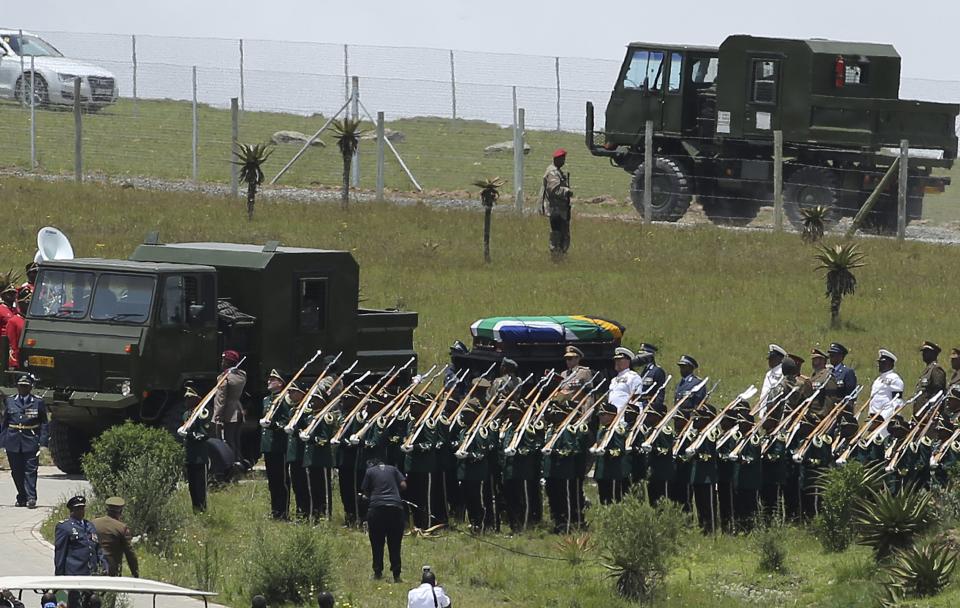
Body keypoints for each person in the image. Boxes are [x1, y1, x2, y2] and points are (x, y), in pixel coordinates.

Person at [2, 374, 48, 508]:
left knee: (30, 470)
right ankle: (21, 496)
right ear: (17, 387)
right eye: (20, 386)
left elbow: (44, 422)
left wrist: (43, 442)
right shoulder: (10, 401)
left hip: (30, 440)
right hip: (13, 440)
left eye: (25, 386)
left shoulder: (38, 402)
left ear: (30, 388)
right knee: (16, 472)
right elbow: (5, 423)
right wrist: (2, 442)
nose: (22, 388)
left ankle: (31, 498)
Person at [55, 496, 107, 608]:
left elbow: (97, 548)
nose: (81, 511)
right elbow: (60, 552)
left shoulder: (89, 526)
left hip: (90, 573)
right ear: (72, 510)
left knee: (93, 601)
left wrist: (103, 565)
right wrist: (59, 575)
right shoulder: (65, 527)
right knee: (72, 603)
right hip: (74, 573)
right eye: (78, 509)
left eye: (82, 508)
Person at [360, 457, 407, 582]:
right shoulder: (393, 469)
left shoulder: (370, 472)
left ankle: (377, 572)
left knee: (377, 543)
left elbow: (365, 493)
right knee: (395, 543)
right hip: (396, 508)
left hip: (377, 510)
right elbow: (403, 485)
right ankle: (396, 574)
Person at [260, 369, 290, 519]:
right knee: (272, 481)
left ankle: (283, 511)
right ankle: (275, 511)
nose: (269, 381)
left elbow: (286, 421)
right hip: (268, 445)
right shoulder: (266, 400)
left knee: (281, 480)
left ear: (280, 383)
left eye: (272, 379)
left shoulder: (285, 399)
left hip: (279, 444)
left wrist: (274, 425)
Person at [213, 349, 247, 465]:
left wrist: (217, 416)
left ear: (228, 362)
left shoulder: (224, 377)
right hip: (238, 409)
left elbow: (221, 399)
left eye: (224, 360)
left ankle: (231, 465)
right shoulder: (241, 375)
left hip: (229, 412)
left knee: (228, 440)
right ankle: (239, 461)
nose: (222, 362)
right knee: (236, 440)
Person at [90, 497, 139, 578]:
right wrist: (135, 573)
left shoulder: (93, 523)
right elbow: (130, 554)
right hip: (112, 571)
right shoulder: (121, 528)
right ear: (121, 511)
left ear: (107, 509)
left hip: (92, 568)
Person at [182, 385, 210, 512]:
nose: (187, 401)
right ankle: (195, 509)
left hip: (199, 455)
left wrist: (188, 434)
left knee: (200, 485)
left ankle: (202, 509)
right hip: (189, 455)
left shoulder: (202, 413)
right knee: (192, 486)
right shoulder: (186, 414)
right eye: (186, 398)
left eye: (190, 398)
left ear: (197, 399)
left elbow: (204, 434)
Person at [540, 148, 573, 255]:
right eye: (562, 159)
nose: (564, 161)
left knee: (562, 233)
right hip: (555, 209)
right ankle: (556, 254)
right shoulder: (553, 172)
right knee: (557, 233)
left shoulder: (556, 171)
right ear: (557, 159)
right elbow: (554, 190)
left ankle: (561, 253)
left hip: (560, 209)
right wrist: (567, 191)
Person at [869, 349, 904, 431]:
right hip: (873, 417)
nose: (880, 365)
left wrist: (891, 417)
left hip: (885, 419)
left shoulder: (894, 379)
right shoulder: (878, 379)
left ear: (890, 364)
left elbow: (897, 401)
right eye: (879, 363)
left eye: (882, 363)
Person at [634, 343, 666, 411]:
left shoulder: (657, 371)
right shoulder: (644, 371)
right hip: (640, 404)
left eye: (643, 356)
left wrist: (656, 408)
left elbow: (660, 393)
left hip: (649, 406)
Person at [608, 347, 642, 412]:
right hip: (613, 416)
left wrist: (637, 415)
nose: (617, 362)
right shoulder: (614, 380)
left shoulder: (633, 377)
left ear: (628, 361)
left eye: (619, 360)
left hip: (624, 415)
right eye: (616, 360)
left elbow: (637, 399)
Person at [757, 344, 786, 414]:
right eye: (769, 359)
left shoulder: (783, 373)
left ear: (779, 358)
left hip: (775, 411)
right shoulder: (769, 374)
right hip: (764, 409)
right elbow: (764, 393)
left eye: (772, 358)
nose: (769, 361)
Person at [915, 341, 947, 406]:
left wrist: (932, 408)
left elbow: (938, 393)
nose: (923, 354)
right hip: (921, 410)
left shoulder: (936, 370)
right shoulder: (927, 370)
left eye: (926, 352)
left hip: (929, 410)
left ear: (933, 354)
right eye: (923, 352)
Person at [5, 289, 30, 369]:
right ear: (20, 303)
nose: (29, 305)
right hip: (17, 363)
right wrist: (14, 363)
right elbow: (12, 345)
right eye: (27, 302)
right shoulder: (13, 321)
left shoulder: (29, 320)